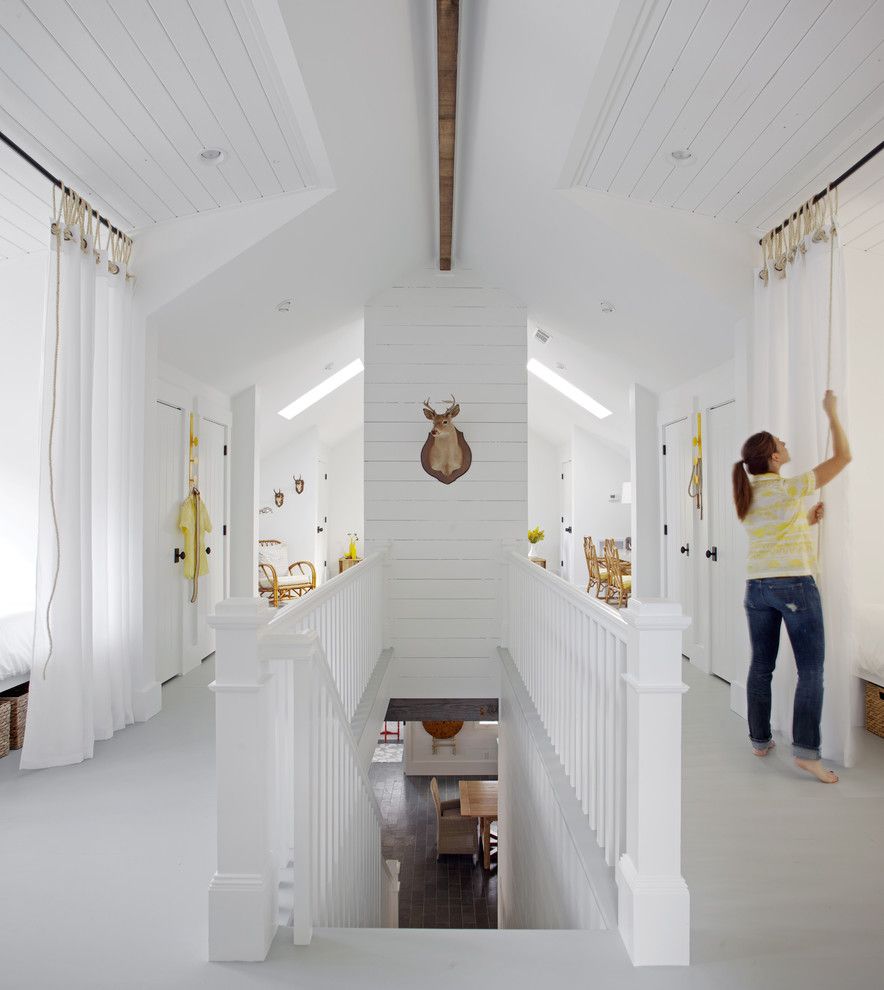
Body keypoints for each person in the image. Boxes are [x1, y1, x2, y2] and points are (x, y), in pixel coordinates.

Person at [732, 390, 851, 784]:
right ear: (774, 458)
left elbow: (773, 534)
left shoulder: (747, 496)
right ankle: (806, 753)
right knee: (811, 670)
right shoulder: (788, 488)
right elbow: (843, 459)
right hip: (795, 586)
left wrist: (808, 522)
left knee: (761, 666)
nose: (786, 442)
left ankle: (760, 740)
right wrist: (832, 414)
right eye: (781, 442)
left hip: (757, 588)